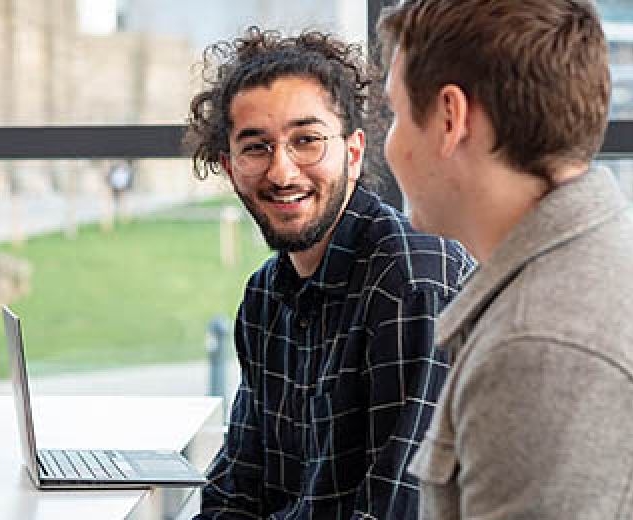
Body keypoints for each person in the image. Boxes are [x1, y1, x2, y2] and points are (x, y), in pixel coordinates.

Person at [377, 0, 633, 517]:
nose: (388, 145)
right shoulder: (579, 279)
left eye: (394, 114)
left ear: (451, 118)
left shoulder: (545, 348)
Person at [183, 27, 474, 518]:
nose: (282, 171)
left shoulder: (410, 281)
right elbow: (235, 490)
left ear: (354, 154)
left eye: (307, 141)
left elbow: (395, 510)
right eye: (256, 147)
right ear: (230, 168)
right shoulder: (264, 299)